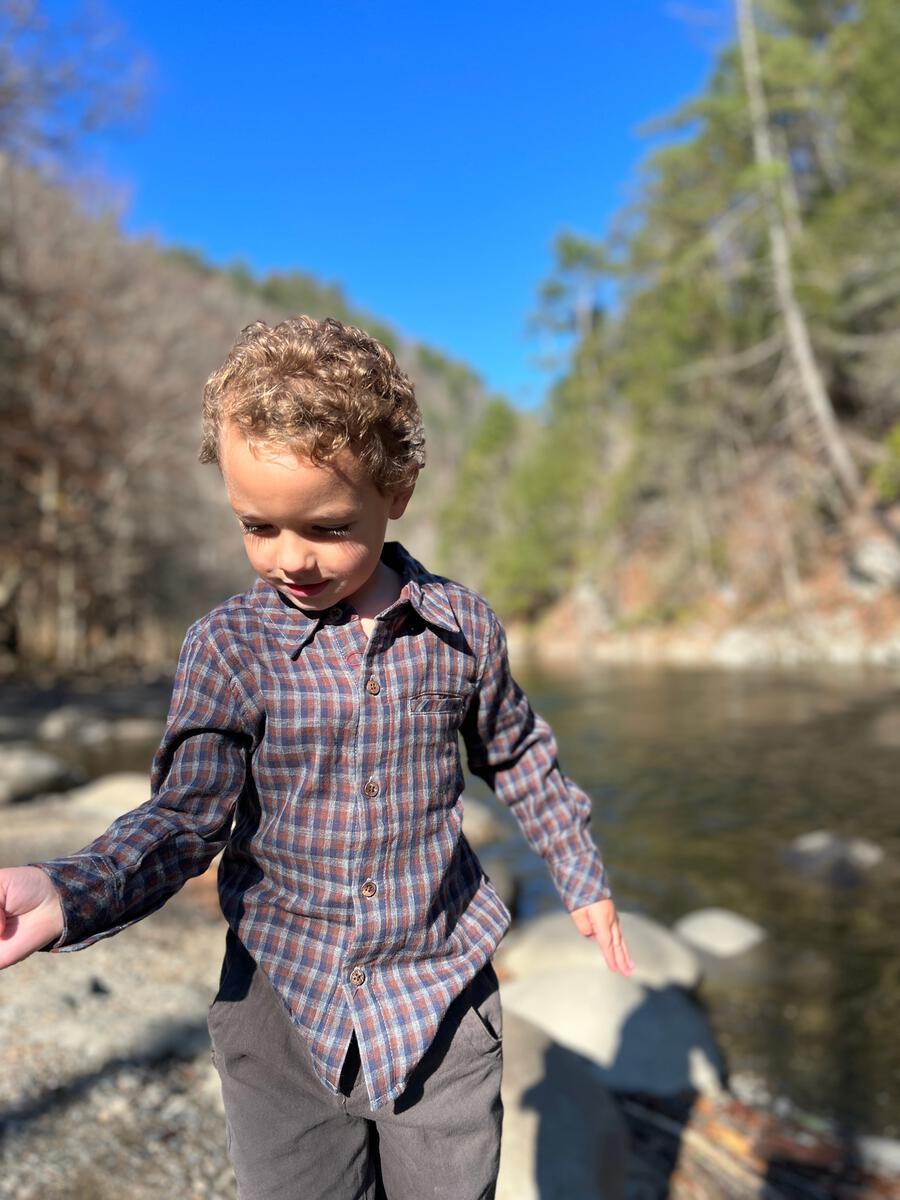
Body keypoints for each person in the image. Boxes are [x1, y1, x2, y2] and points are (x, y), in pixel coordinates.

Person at [0, 315, 633, 1200]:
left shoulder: (462, 631)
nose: (291, 560)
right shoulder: (229, 646)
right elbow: (185, 818)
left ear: (398, 489)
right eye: (257, 526)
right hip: (281, 1010)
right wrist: (70, 892)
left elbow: (518, 752)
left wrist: (579, 871)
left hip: (440, 996)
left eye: (328, 527)